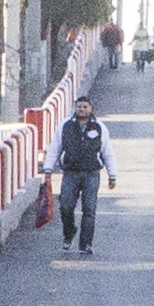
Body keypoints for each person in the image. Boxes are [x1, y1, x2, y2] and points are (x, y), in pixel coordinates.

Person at [46, 98, 113, 255]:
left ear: (90, 108)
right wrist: (48, 169)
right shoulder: (65, 126)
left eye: (85, 107)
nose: (82, 109)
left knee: (89, 209)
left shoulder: (99, 127)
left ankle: (86, 244)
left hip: (91, 173)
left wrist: (112, 175)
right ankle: (69, 233)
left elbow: (107, 152)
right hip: (70, 172)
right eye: (79, 107)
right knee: (65, 206)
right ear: (75, 108)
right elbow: (54, 148)